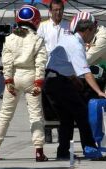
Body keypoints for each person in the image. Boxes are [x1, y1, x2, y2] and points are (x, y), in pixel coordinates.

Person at [44, 11, 106, 159]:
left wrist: (73, 79)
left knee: (67, 118)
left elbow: (63, 65)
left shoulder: (67, 39)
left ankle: (63, 152)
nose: (93, 35)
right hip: (58, 83)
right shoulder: (76, 44)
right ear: (87, 30)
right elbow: (86, 72)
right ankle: (89, 149)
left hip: (51, 82)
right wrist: (99, 92)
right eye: (93, 32)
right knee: (82, 113)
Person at [0, 4, 49, 162]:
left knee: (5, 114)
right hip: (31, 77)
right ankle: (38, 150)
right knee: (35, 115)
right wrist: (38, 83)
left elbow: (6, 62)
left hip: (14, 77)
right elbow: (41, 62)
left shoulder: (10, 38)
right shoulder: (37, 39)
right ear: (35, 21)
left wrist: (8, 80)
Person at [37, 0, 69, 144]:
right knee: (47, 101)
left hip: (64, 69)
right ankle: (48, 129)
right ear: (50, 11)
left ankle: (62, 129)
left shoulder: (68, 26)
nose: (58, 13)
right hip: (47, 68)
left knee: (62, 101)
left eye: (60, 10)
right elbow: (38, 47)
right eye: (55, 10)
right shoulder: (43, 27)